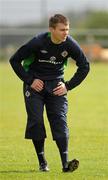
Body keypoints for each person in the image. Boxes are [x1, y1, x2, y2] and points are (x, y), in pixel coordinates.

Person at [9, 14, 90, 172]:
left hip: (56, 86)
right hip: (35, 86)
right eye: (62, 30)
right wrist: (30, 80)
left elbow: (85, 66)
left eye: (67, 29)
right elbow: (14, 60)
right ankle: (42, 162)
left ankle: (65, 164)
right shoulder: (38, 42)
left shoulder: (70, 44)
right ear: (51, 29)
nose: (65, 33)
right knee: (36, 121)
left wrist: (68, 86)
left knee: (59, 121)